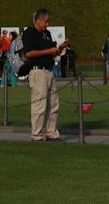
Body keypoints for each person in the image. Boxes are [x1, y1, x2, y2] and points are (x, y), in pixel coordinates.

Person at [20, 8, 64, 142]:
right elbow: (28, 53)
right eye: (46, 21)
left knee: (53, 104)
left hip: (49, 71)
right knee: (39, 104)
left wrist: (59, 48)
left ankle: (51, 132)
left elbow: (52, 52)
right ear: (38, 20)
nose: (47, 24)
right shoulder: (29, 33)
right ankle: (37, 134)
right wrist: (47, 51)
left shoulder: (47, 34)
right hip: (37, 71)